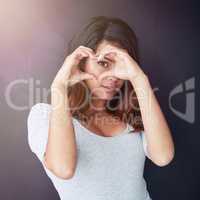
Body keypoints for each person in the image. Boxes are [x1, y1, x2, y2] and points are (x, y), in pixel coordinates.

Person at [27, 16, 175, 200]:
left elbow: (163, 157)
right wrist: (59, 87)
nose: (113, 76)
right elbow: (64, 169)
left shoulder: (130, 116)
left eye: (120, 65)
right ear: (80, 61)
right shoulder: (44, 115)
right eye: (104, 63)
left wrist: (139, 78)